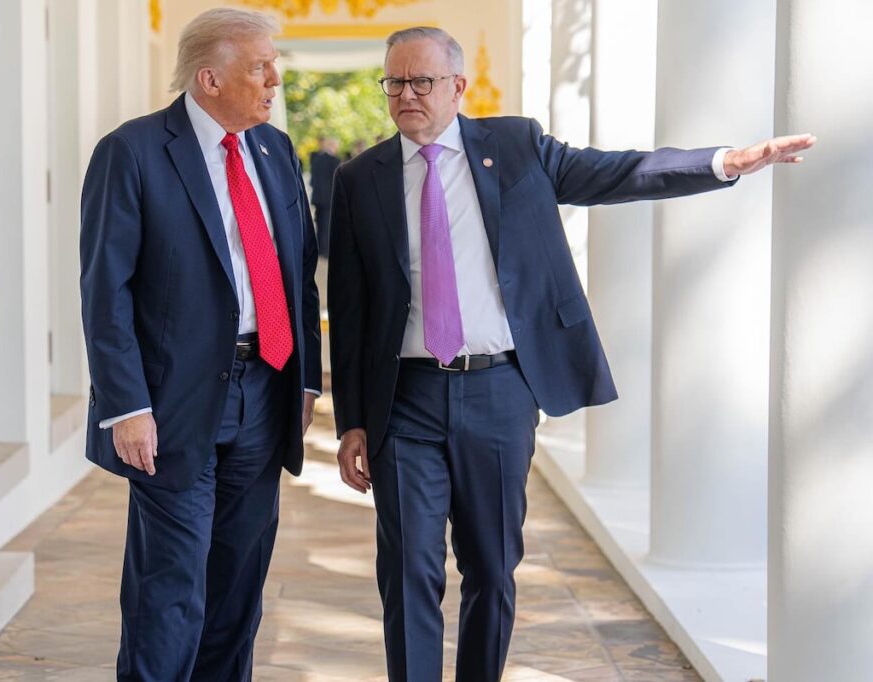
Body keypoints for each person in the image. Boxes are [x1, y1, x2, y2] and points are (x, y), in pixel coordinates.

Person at [327, 26, 814, 682]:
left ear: (458, 87)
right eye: (394, 82)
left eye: (422, 82)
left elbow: (618, 173)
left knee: (491, 568)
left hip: (499, 390)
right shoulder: (361, 179)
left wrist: (725, 161)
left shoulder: (515, 146)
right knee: (408, 567)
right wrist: (353, 420)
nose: (406, 95)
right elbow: (351, 310)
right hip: (406, 399)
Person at [79, 8, 321, 681]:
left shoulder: (275, 151)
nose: (275, 80)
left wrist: (304, 381)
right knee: (170, 591)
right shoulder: (132, 152)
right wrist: (126, 406)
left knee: (237, 589)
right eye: (261, 67)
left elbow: (298, 274)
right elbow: (105, 291)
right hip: (171, 405)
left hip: (264, 391)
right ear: (210, 78)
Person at [309, 136, 340, 257]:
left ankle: (320, 248)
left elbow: (313, 180)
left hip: (317, 196)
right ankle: (325, 250)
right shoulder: (335, 161)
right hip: (329, 197)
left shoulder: (316, 159)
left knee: (320, 222)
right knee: (327, 224)